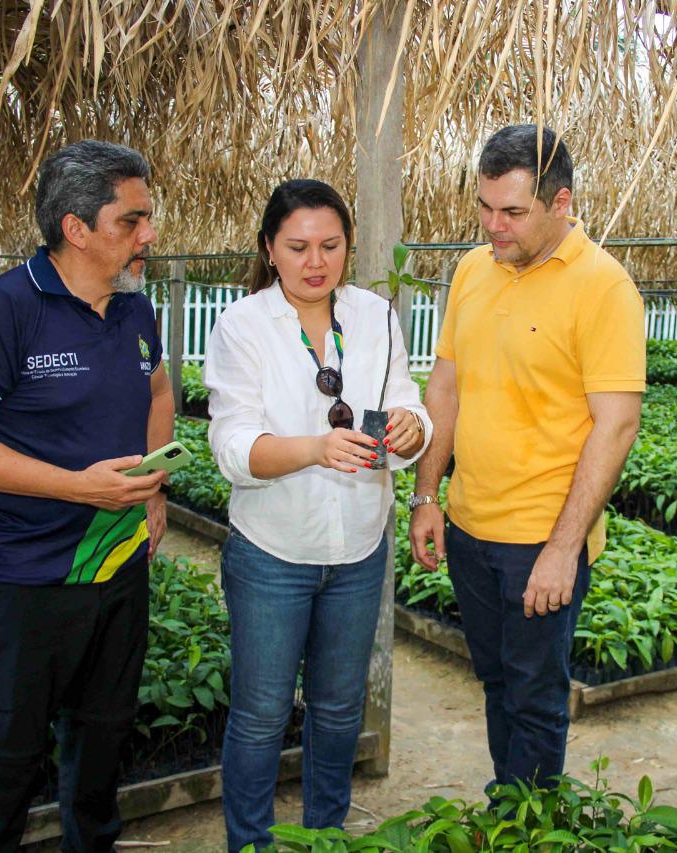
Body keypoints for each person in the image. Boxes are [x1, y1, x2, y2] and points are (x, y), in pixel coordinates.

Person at [0, 140, 172, 851]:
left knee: (101, 746)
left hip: (116, 569)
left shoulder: (133, 311)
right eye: (132, 220)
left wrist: (154, 485)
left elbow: (156, 389)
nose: (148, 235)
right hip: (21, 580)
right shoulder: (3, 309)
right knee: (4, 758)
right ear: (76, 228)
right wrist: (77, 486)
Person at [407, 125, 645, 791]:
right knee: (495, 681)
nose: (493, 226)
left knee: (537, 699)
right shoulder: (471, 270)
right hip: (469, 526)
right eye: (485, 207)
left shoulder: (603, 286)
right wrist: (428, 496)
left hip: (540, 538)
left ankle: (527, 822)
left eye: (511, 212)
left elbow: (617, 425)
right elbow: (446, 386)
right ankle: (509, 803)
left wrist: (564, 547)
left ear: (560, 202)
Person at [204, 179, 431, 850]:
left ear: (348, 247)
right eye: (298, 246)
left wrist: (412, 427)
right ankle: (250, 840)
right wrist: (315, 448)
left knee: (337, 711)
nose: (315, 261)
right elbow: (232, 448)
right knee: (261, 713)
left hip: (358, 547)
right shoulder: (241, 326)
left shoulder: (372, 315)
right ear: (269, 249)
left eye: (330, 245)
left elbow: (406, 396)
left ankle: (325, 836)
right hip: (273, 549)